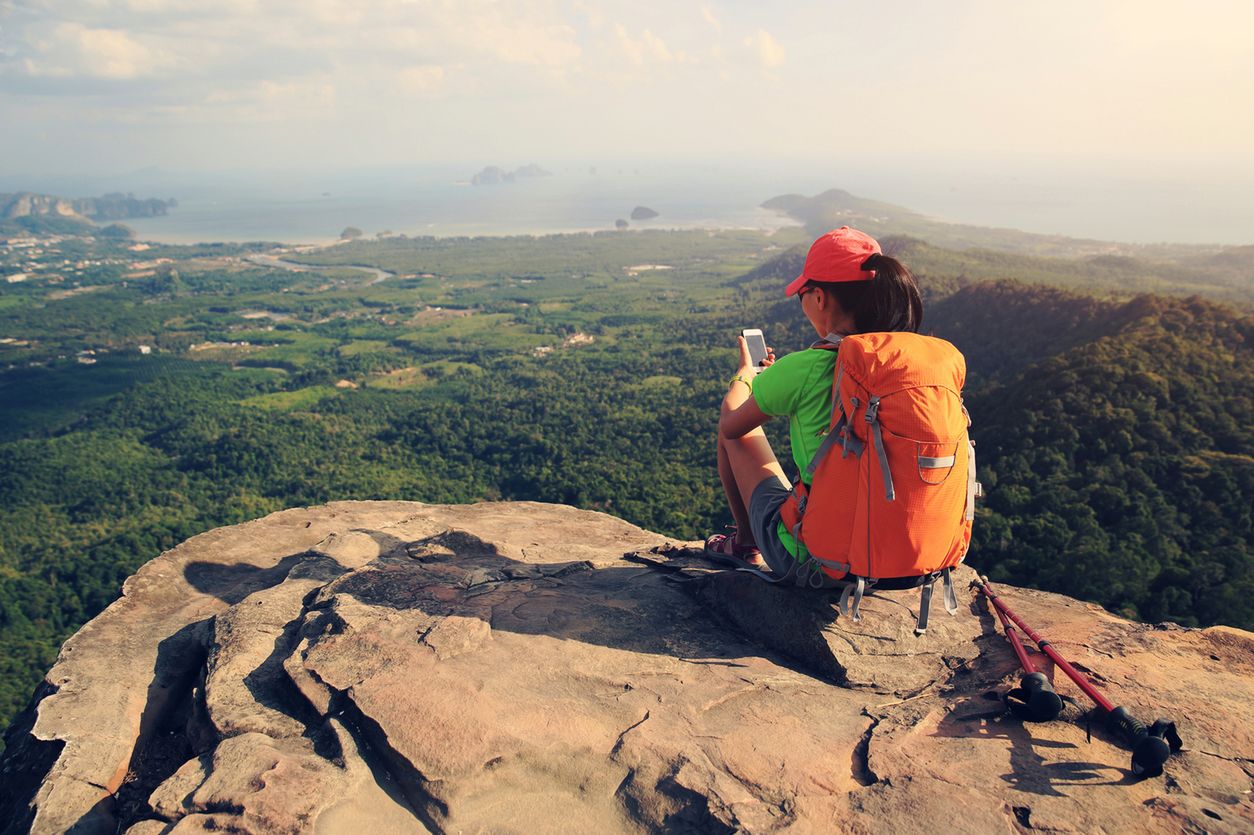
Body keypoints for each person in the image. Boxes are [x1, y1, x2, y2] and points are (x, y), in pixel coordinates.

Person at [705, 226, 924, 582]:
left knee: (736, 434)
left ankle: (744, 545)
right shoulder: (907, 362)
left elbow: (731, 423)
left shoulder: (806, 367)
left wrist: (745, 375)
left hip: (818, 563)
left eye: (803, 294)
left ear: (819, 298)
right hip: (905, 564)